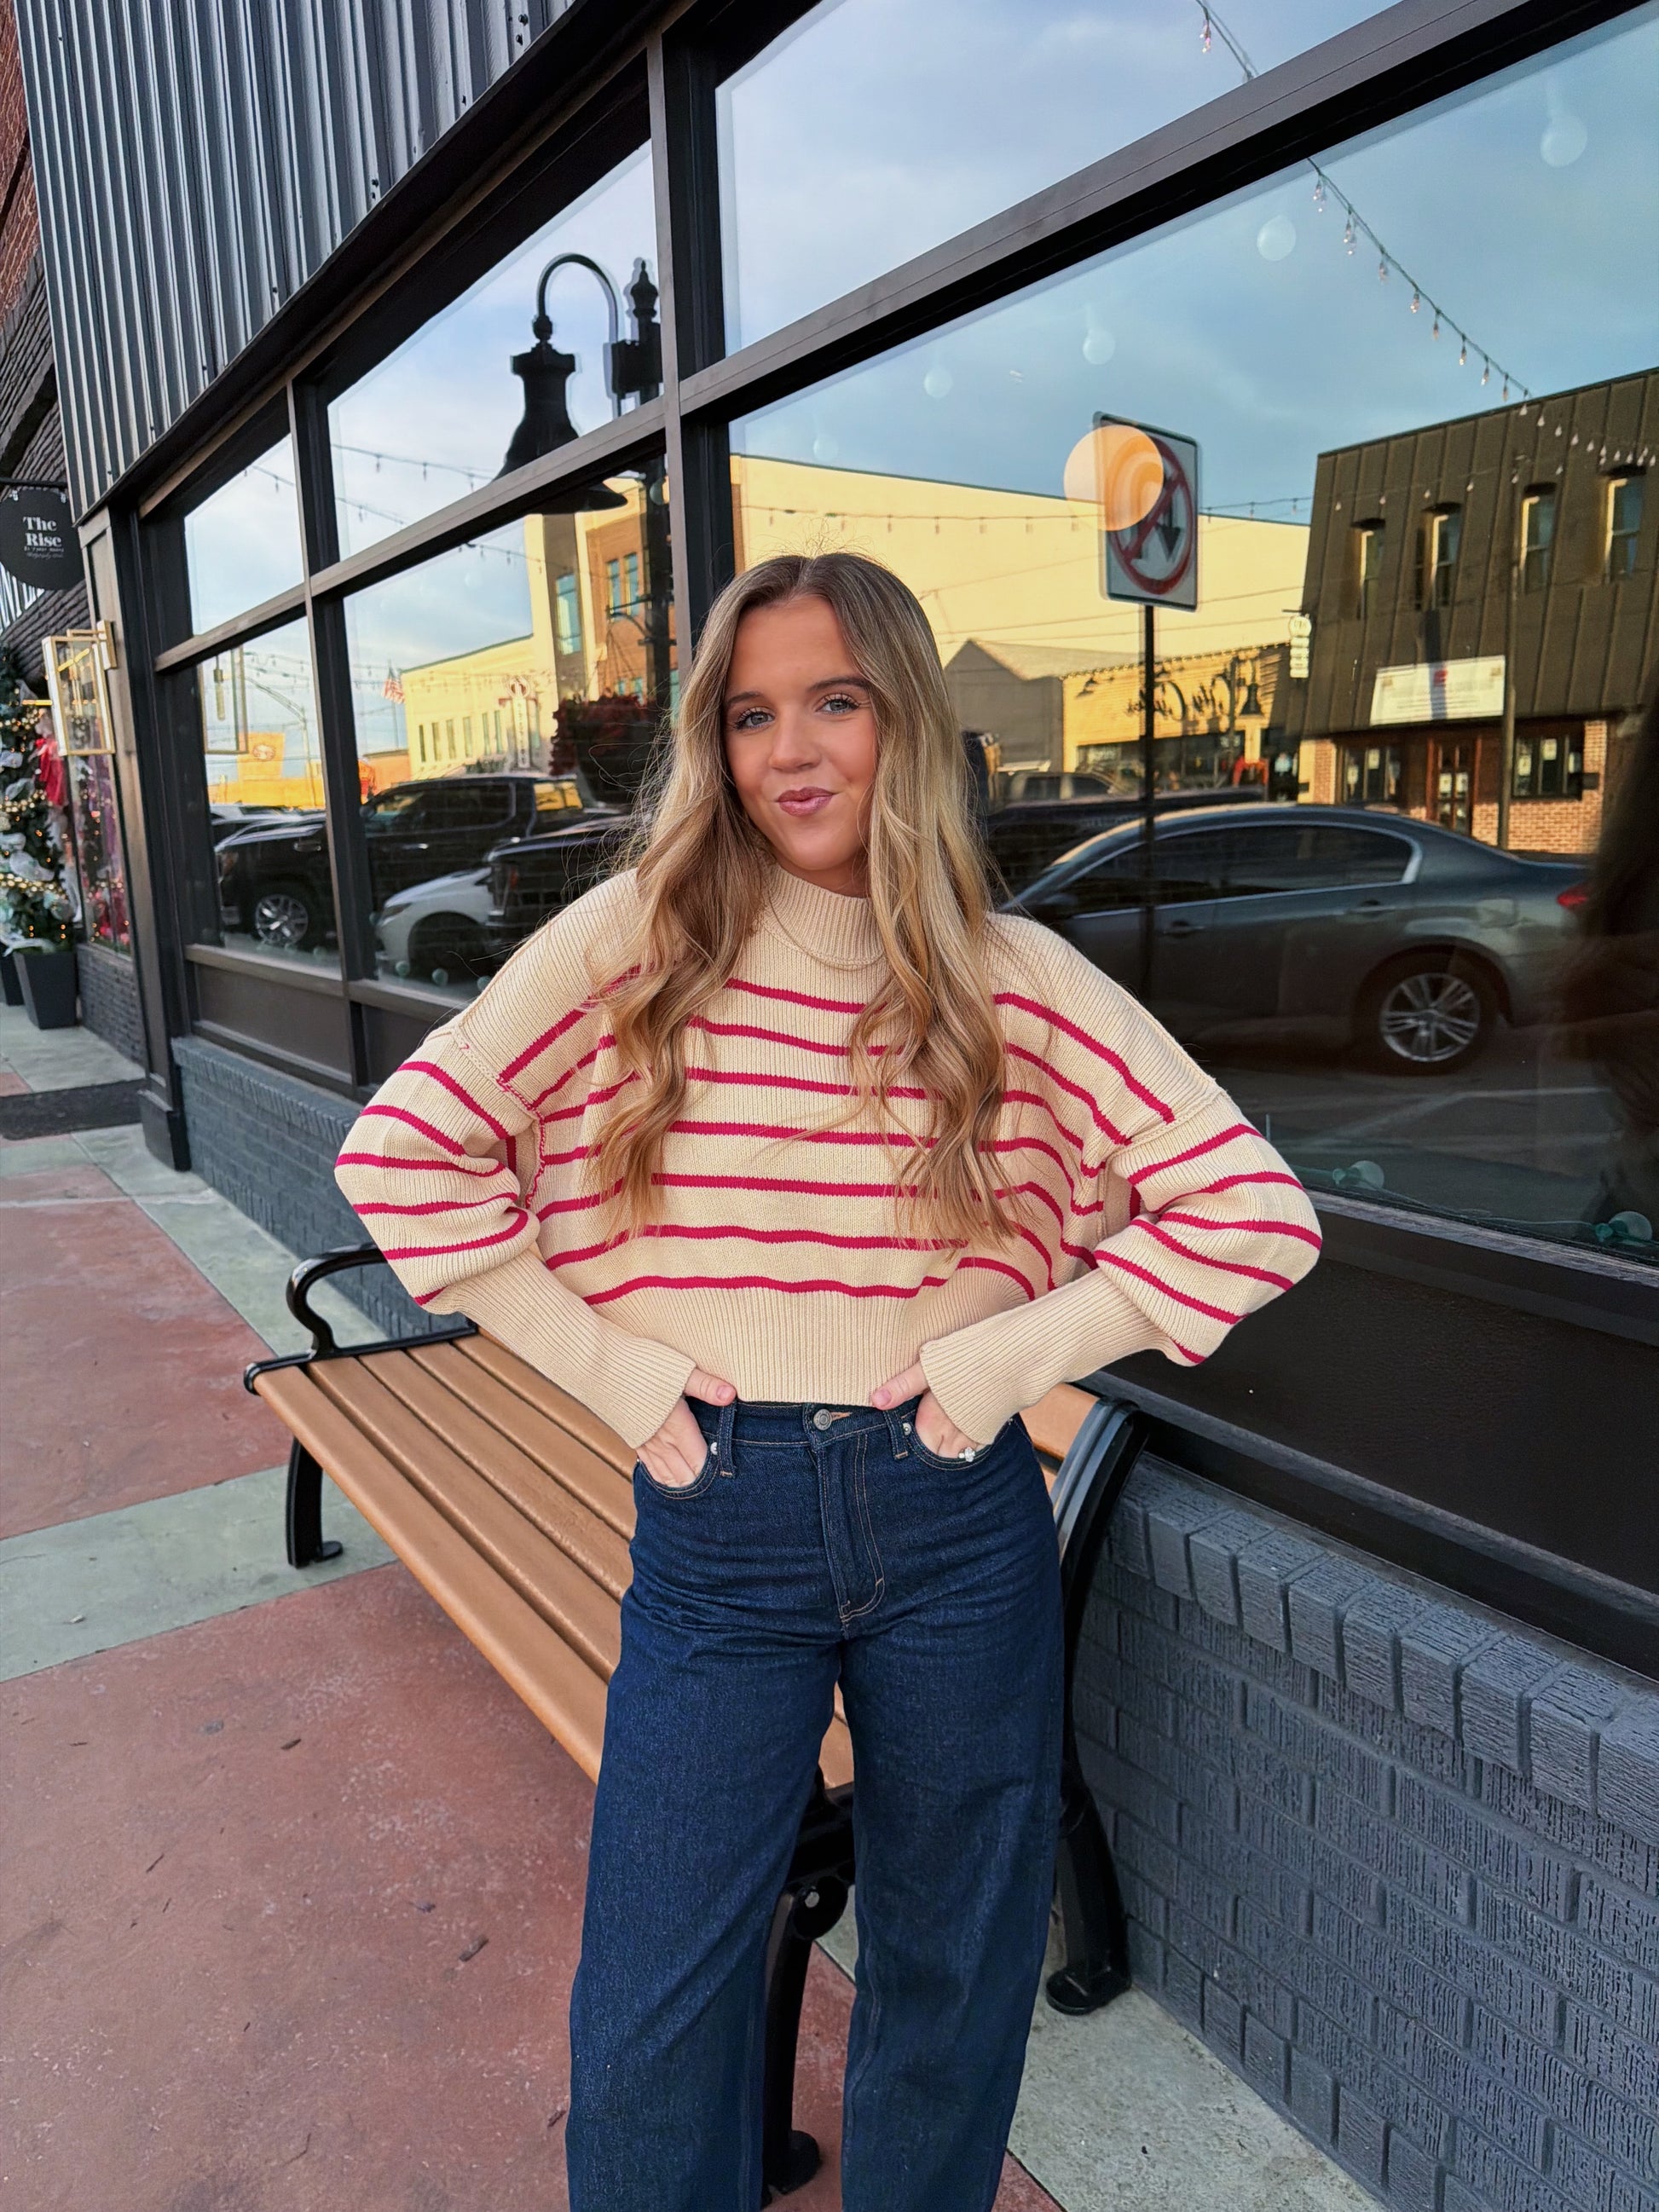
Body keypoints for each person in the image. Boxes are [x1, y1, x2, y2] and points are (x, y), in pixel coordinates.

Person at [334, 552, 1321, 2210]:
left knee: (955, 1964)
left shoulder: (1012, 974)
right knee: (656, 1996)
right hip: (717, 1516)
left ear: (904, 722)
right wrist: (622, 1381)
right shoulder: (636, 945)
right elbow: (406, 1155)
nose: (789, 749)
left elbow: (1254, 1213)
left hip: (955, 1518)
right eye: (749, 713)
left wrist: (1001, 1361)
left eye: (834, 702)